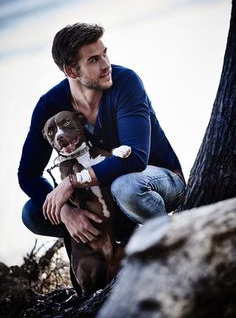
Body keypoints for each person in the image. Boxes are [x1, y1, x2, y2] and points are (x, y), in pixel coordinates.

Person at [18, 22, 186, 246]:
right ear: (71, 70)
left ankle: (175, 243)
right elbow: (28, 174)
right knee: (33, 212)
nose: (106, 65)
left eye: (104, 54)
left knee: (126, 187)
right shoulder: (50, 105)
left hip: (157, 182)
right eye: (94, 60)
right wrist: (66, 213)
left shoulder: (126, 82)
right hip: (104, 199)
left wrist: (72, 182)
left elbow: (135, 158)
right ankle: (111, 251)